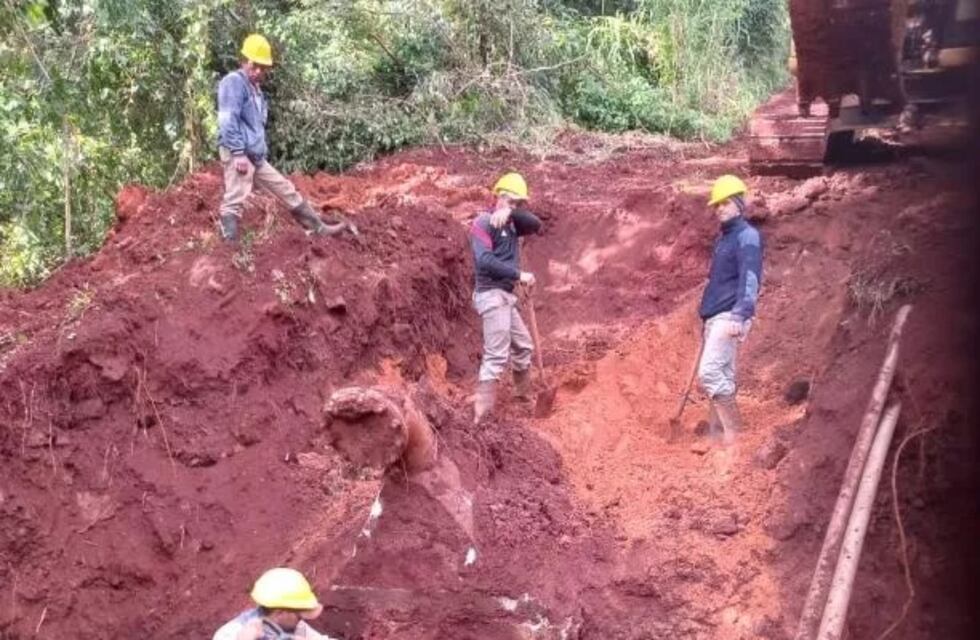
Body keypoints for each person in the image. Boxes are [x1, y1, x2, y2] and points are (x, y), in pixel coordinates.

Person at [216, 34, 344, 242]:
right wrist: (238, 153)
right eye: (254, 65)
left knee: (286, 189)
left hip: (255, 155)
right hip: (239, 153)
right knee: (234, 199)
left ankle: (319, 228)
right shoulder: (233, 82)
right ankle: (227, 250)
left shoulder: (256, 91)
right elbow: (228, 118)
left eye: (262, 68)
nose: (258, 71)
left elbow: (255, 126)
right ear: (244, 60)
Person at [469, 172, 542, 424]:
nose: (516, 207)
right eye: (510, 202)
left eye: (518, 204)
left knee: (524, 346)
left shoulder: (512, 224)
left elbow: (535, 224)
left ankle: (522, 399)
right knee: (497, 356)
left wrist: (510, 213)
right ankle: (481, 414)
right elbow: (485, 261)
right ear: (498, 197)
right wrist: (518, 273)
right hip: (491, 295)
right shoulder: (483, 222)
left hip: (506, 298)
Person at [697, 175, 763, 445]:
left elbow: (750, 278)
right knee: (723, 373)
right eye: (717, 205)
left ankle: (733, 433)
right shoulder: (724, 239)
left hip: (730, 315)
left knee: (710, 372)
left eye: (725, 203)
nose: (720, 209)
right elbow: (719, 280)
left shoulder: (748, 237)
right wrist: (705, 313)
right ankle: (717, 435)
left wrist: (740, 313)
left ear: (738, 203)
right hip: (716, 315)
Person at [213, 567, 333, 640]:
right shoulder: (230, 634)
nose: (301, 620)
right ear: (280, 612)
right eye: (298, 615)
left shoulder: (294, 627)